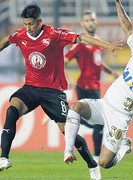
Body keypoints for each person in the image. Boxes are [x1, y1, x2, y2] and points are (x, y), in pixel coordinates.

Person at [0, 4, 122, 178]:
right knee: (12, 109)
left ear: (40, 22)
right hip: (31, 87)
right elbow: (7, 39)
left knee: (69, 134)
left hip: (53, 92)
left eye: (31, 24)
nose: (28, 28)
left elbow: (81, 38)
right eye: (26, 24)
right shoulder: (21, 35)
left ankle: (92, 164)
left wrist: (106, 45)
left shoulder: (54, 34)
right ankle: (4, 158)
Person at [64, 0, 132, 171]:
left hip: (121, 116)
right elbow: (128, 28)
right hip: (105, 101)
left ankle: (124, 146)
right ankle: (68, 152)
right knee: (76, 106)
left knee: (105, 163)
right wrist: (118, 4)